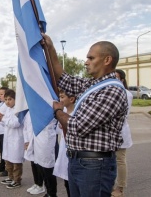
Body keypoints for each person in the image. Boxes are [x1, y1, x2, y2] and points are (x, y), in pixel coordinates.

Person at [45, 34, 128, 196]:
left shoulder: (112, 90)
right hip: (79, 162)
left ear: (107, 60)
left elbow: (78, 126)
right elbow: (64, 79)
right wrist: (50, 48)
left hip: (95, 166)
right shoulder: (93, 85)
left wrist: (57, 111)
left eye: (91, 58)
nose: (86, 62)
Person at [112, 69, 133, 197]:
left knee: (120, 160)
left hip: (120, 132)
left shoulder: (127, 94)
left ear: (122, 80)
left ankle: (120, 188)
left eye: (116, 78)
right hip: (108, 134)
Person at [0, 89, 24, 189]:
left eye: (10, 99)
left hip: (16, 139)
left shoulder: (18, 110)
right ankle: (10, 177)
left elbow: (15, 123)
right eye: (5, 100)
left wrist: (4, 119)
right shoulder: (8, 109)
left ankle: (17, 180)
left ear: (15, 99)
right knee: (8, 159)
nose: (7, 102)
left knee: (16, 161)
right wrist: (3, 119)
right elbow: (6, 122)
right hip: (8, 138)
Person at [53, 89, 76, 197]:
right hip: (64, 149)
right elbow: (59, 130)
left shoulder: (76, 113)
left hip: (72, 150)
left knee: (73, 182)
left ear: (71, 99)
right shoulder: (63, 112)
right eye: (60, 97)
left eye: (62, 97)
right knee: (67, 181)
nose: (60, 100)